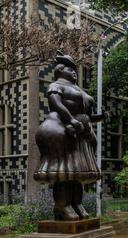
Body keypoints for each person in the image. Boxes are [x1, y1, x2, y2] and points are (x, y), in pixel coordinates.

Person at [34, 53, 108, 221]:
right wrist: (71, 120)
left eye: (75, 70)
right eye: (69, 69)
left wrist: (100, 117)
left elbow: (85, 114)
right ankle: (62, 205)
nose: (74, 72)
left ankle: (76, 203)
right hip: (60, 130)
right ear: (60, 70)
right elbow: (56, 104)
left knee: (76, 173)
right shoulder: (56, 85)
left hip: (80, 134)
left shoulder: (79, 90)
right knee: (64, 172)